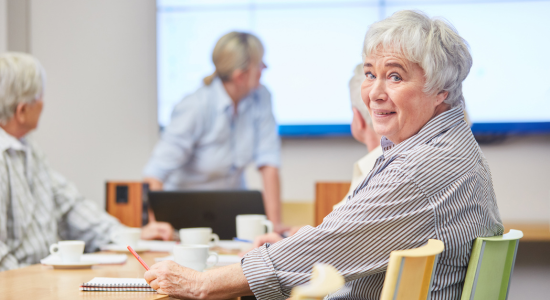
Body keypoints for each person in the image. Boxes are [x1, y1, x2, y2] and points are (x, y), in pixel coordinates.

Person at [143, 10, 503, 300]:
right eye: (369, 74)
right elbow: (338, 238)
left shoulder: (421, 169)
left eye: (394, 77)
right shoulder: (445, 148)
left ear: (440, 90)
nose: (374, 93)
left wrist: (202, 283)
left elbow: (324, 251)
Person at [0, 52, 173, 271]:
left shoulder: (29, 149)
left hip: (42, 275)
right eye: (39, 97)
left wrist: (125, 236)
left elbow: (70, 204)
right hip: (21, 281)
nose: (43, 103)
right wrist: (26, 281)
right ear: (22, 111)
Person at [142, 32, 283, 231]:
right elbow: (154, 174)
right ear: (240, 76)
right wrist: (155, 225)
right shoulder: (196, 106)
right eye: (259, 64)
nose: (265, 68)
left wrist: (274, 227)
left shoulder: (261, 97)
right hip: (186, 222)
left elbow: (269, 163)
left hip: (232, 217)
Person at [248, 63, 383, 248]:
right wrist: (307, 237)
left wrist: (287, 248)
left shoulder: (371, 175)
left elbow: (340, 249)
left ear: (357, 119)